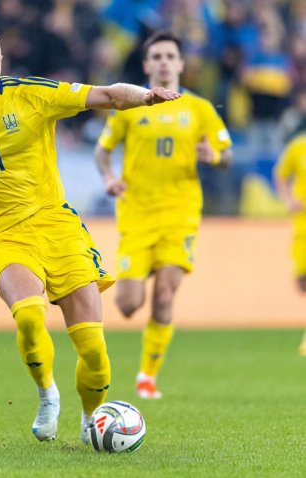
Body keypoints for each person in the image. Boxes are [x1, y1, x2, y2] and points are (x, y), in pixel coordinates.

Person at [0, 29, 179, 444]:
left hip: (55, 225)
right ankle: (47, 394)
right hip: (0, 232)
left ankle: (91, 417)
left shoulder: (31, 94)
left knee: (94, 349)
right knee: (28, 315)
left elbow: (107, 95)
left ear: (1, 64)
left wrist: (147, 96)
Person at [94, 31, 233, 398]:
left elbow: (227, 154)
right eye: (156, 56)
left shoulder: (199, 109)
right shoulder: (131, 106)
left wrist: (214, 157)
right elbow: (102, 151)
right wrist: (109, 178)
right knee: (127, 305)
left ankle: (147, 377)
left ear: (181, 64)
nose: (164, 62)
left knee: (166, 296)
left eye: (170, 56)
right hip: (136, 215)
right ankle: (147, 270)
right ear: (146, 65)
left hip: (180, 213)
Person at [273, 129, 306, 356]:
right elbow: (280, 174)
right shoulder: (298, 146)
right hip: (302, 223)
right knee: (303, 280)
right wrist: (288, 200)